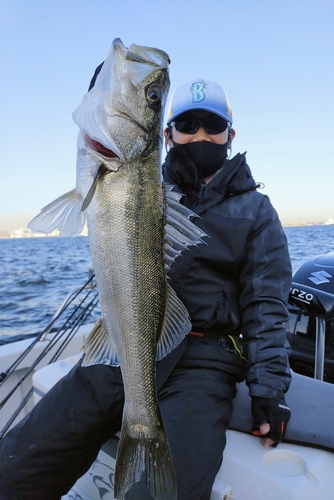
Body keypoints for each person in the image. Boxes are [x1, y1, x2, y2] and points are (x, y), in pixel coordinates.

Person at [0, 75, 292, 500]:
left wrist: (269, 388)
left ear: (231, 134)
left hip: (203, 363)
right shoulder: (141, 183)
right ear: (168, 135)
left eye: (212, 125)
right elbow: (107, 146)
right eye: (188, 125)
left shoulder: (257, 211)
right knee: (18, 464)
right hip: (127, 341)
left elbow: (267, 304)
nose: (201, 135)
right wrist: (103, 91)